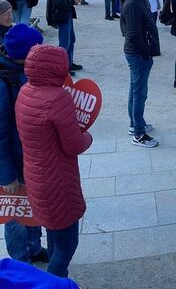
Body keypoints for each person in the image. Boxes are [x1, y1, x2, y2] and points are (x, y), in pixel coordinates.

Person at [14, 44, 93, 278]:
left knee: (53, 228)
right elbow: (74, 145)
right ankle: (55, 282)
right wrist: (87, 135)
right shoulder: (58, 98)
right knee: (67, 246)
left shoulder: (25, 90)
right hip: (58, 180)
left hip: (36, 176)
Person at [1, 24, 47, 265]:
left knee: (34, 205)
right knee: (15, 213)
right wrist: (7, 176)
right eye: (36, 48)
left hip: (30, 158)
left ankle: (35, 247)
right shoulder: (3, 83)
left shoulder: (26, 70)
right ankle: (20, 261)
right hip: (12, 163)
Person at [121, 0, 160, 148]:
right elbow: (132, 34)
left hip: (139, 52)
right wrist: (146, 53)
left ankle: (136, 123)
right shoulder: (133, 3)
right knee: (139, 93)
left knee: (136, 90)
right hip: (137, 54)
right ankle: (138, 133)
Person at [44, 0, 80, 76]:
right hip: (62, 15)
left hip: (66, 13)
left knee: (71, 39)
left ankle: (69, 62)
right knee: (65, 42)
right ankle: (61, 66)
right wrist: (73, 1)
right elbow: (59, 2)